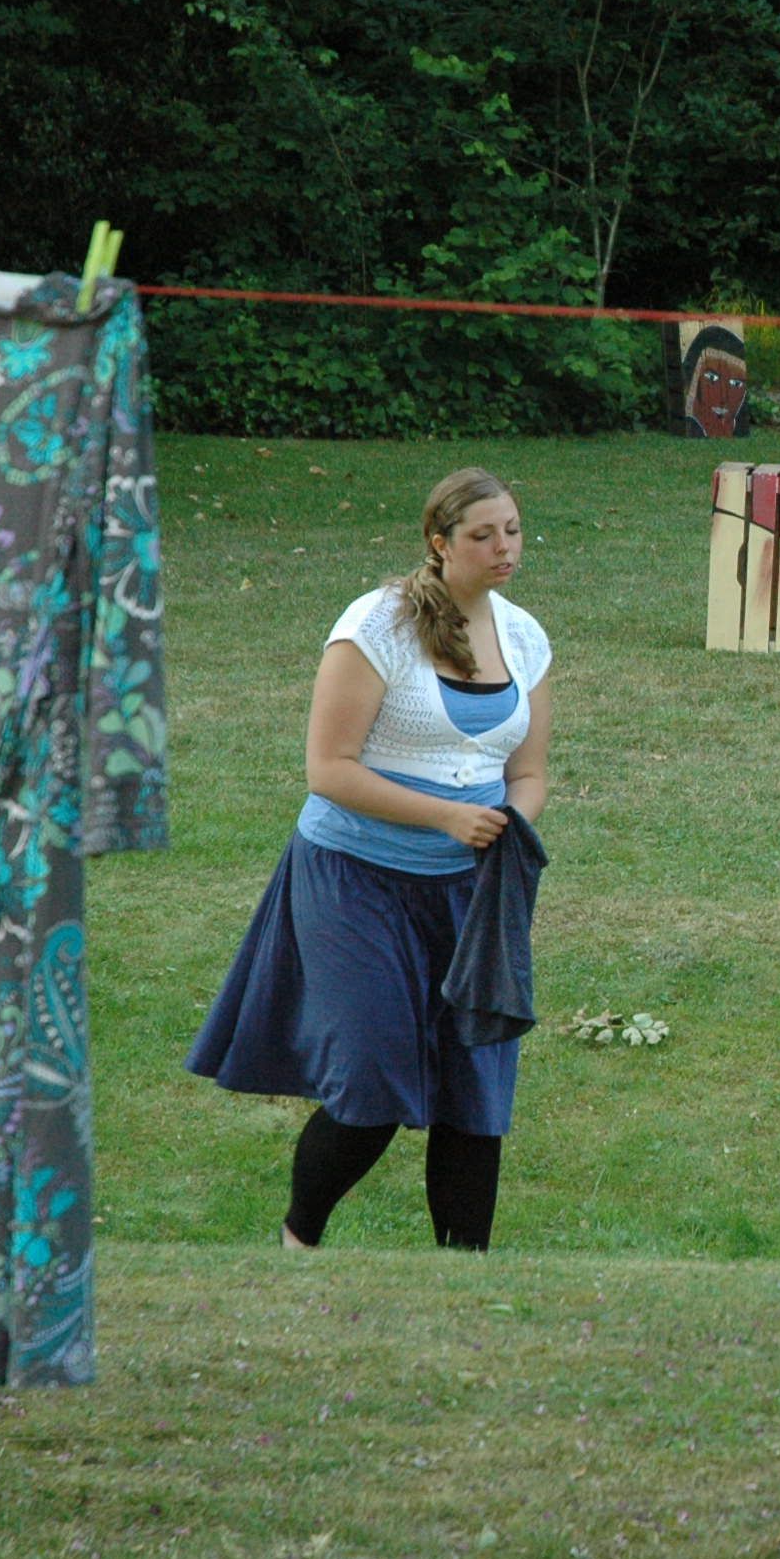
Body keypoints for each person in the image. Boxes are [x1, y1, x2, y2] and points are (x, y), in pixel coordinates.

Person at [187, 467, 555, 1249]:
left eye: (513, 531)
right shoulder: (376, 627)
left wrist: (508, 830)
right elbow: (330, 770)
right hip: (354, 880)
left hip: (470, 892)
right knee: (371, 1080)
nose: (503, 548)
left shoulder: (524, 636)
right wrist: (448, 816)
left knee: (474, 1089)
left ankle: (463, 1273)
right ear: (440, 542)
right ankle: (298, 1240)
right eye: (483, 534)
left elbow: (528, 773)